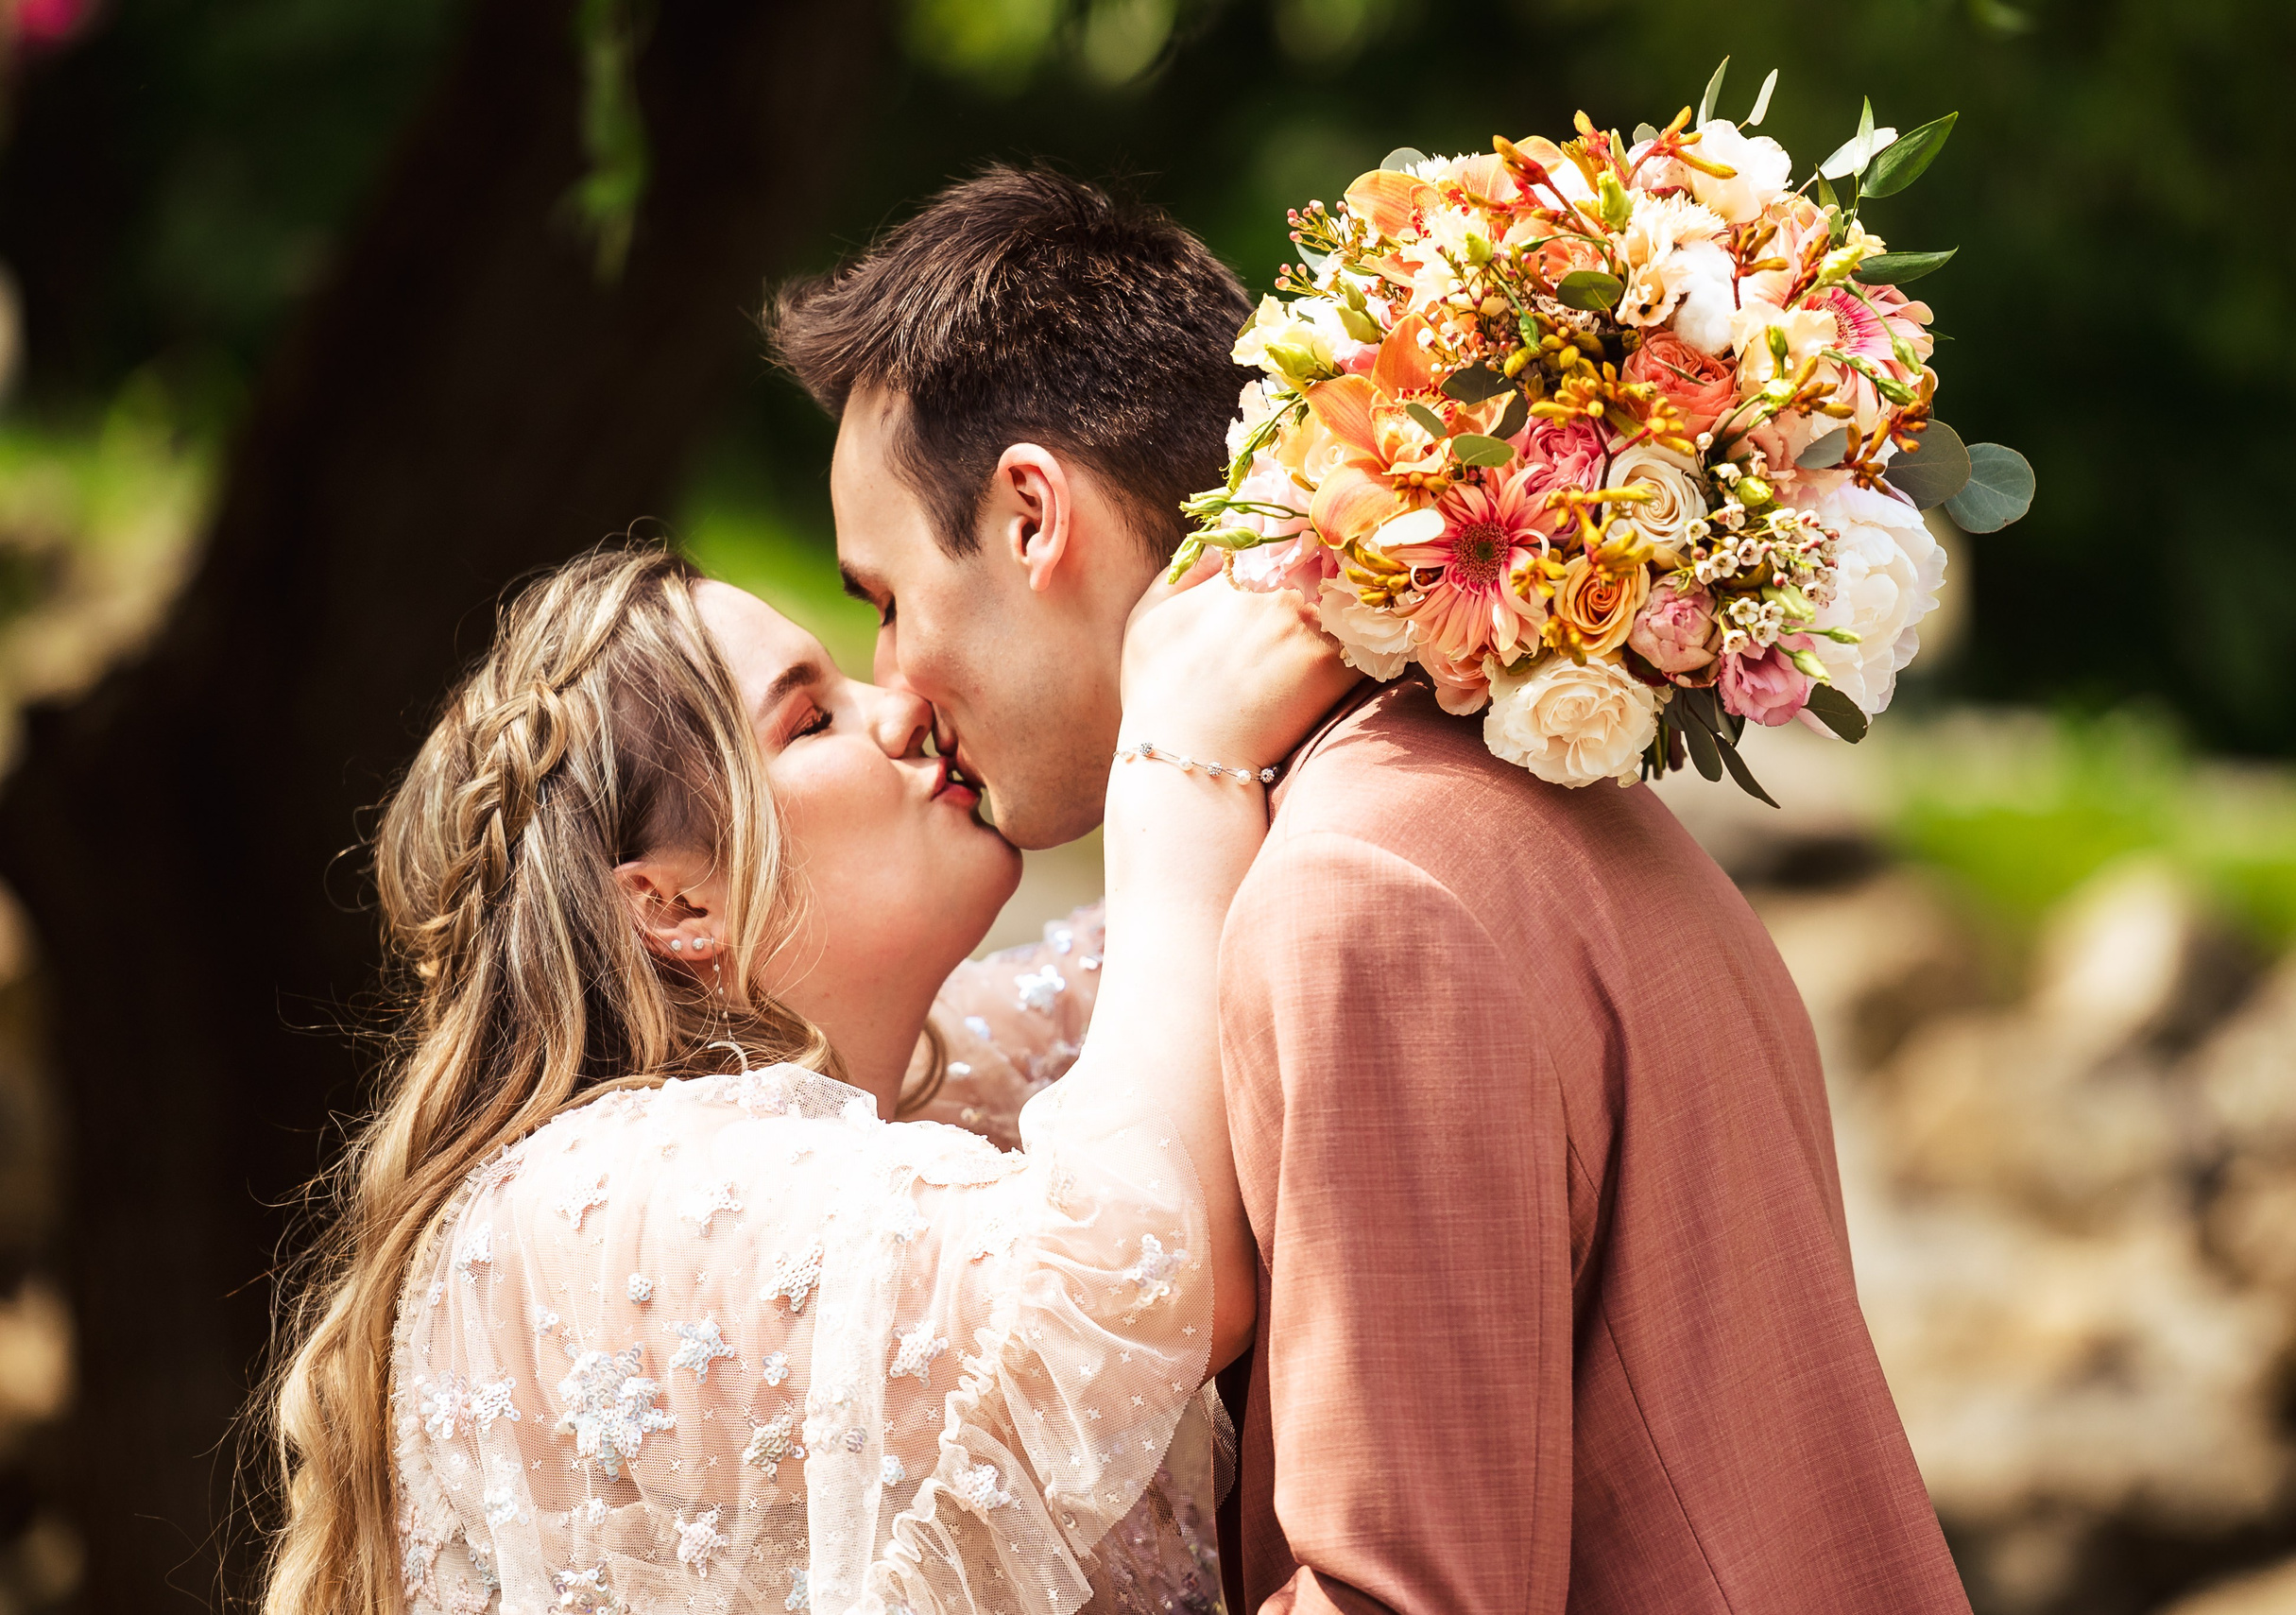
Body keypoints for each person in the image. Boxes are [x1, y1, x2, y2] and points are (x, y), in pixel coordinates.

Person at [767, 166, 1976, 1614]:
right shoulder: (1500, 780)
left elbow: (1407, 1592)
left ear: (1032, 515)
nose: (894, 688)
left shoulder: (1361, 890)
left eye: (886, 599)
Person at [259, 544, 1354, 1615]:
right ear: (677, 903)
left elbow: (1160, 978)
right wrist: (1181, 760)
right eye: (812, 718)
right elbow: (1146, 1275)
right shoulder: (594, 1203)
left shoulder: (923, 1087)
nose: (902, 708)